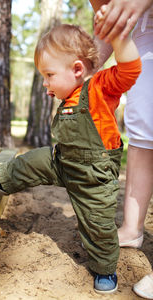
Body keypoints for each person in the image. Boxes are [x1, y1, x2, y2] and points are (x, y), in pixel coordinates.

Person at [0, 22, 141, 294]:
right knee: (33, 160)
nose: (45, 83)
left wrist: (120, 38)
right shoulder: (68, 94)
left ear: (77, 69)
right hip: (63, 163)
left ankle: (105, 269)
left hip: (94, 179)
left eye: (49, 75)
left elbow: (130, 70)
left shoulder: (99, 88)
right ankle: (3, 178)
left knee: (97, 226)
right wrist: (56, 86)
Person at [90, 0, 153, 298]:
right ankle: (131, 229)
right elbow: (108, 23)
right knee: (143, 125)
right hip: (144, 29)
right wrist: (83, 69)